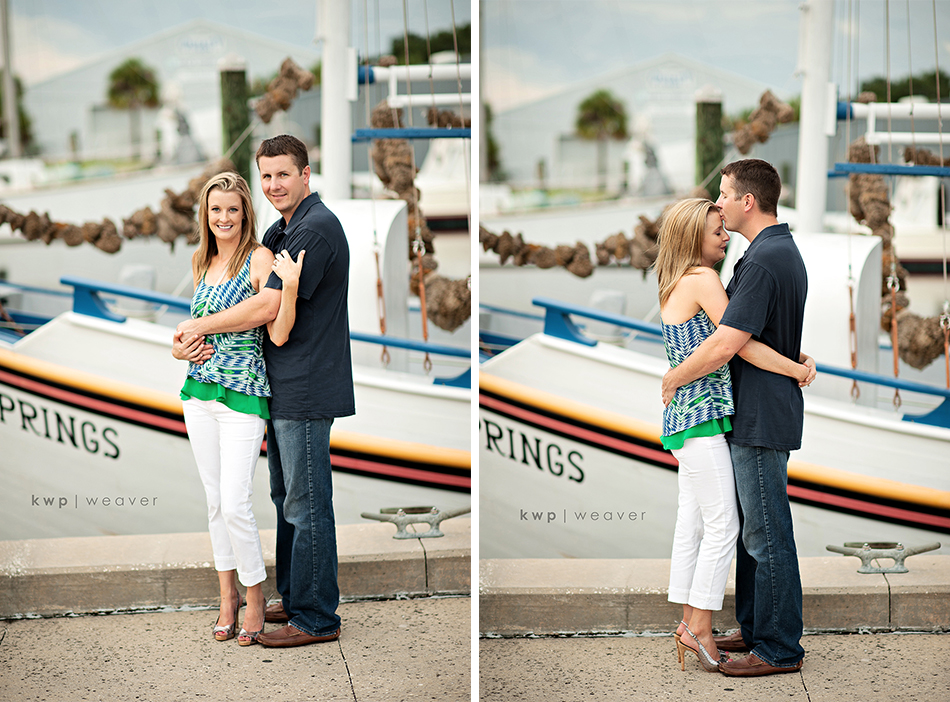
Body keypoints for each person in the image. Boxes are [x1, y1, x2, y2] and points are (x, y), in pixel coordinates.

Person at [175, 134, 354, 648]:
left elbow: (267, 310)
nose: (274, 184)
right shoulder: (283, 229)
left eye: (284, 174)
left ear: (306, 174)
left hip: (305, 386)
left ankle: (316, 618)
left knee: (306, 504)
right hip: (281, 385)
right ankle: (295, 598)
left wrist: (199, 327)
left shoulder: (313, 230)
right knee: (285, 497)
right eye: (267, 175)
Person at [661, 159, 811, 677]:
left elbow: (730, 344)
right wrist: (796, 361)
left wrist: (675, 377)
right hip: (748, 413)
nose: (720, 204)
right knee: (752, 531)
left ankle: (778, 648)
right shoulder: (770, 254)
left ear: (748, 200)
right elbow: (758, 332)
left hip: (758, 415)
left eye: (724, 195)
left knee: (764, 534)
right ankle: (753, 627)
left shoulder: (763, 260)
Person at [173, 171, 302, 646]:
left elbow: (265, 311)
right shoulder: (200, 260)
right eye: (216, 210)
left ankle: (254, 595)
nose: (223, 218)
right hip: (198, 394)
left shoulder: (259, 258)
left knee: (235, 503)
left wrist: (199, 326)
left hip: (243, 395)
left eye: (232, 209)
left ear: (245, 213)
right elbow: (188, 332)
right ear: (205, 215)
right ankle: (226, 597)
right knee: (214, 503)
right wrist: (179, 346)